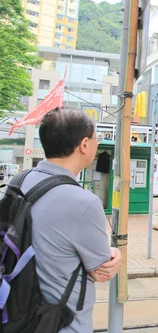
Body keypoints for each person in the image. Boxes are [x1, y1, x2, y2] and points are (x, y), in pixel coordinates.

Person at [19, 108, 121, 333]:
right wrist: (116, 253)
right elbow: (102, 270)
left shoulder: (18, 183)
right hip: (62, 324)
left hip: (15, 314)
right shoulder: (84, 203)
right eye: (96, 139)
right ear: (84, 145)